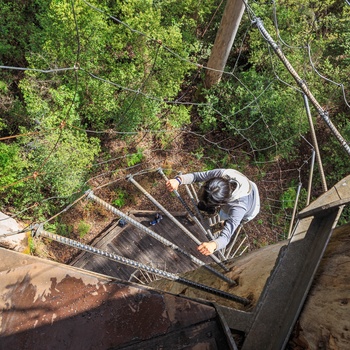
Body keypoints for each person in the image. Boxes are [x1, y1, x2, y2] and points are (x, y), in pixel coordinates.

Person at [166, 169, 260, 256]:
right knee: (206, 205)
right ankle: (211, 212)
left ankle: (222, 224)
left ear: (222, 203)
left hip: (251, 209)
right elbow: (196, 176)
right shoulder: (221, 175)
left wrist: (214, 244)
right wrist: (178, 180)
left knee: (228, 221)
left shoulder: (238, 208)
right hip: (248, 187)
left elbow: (226, 237)